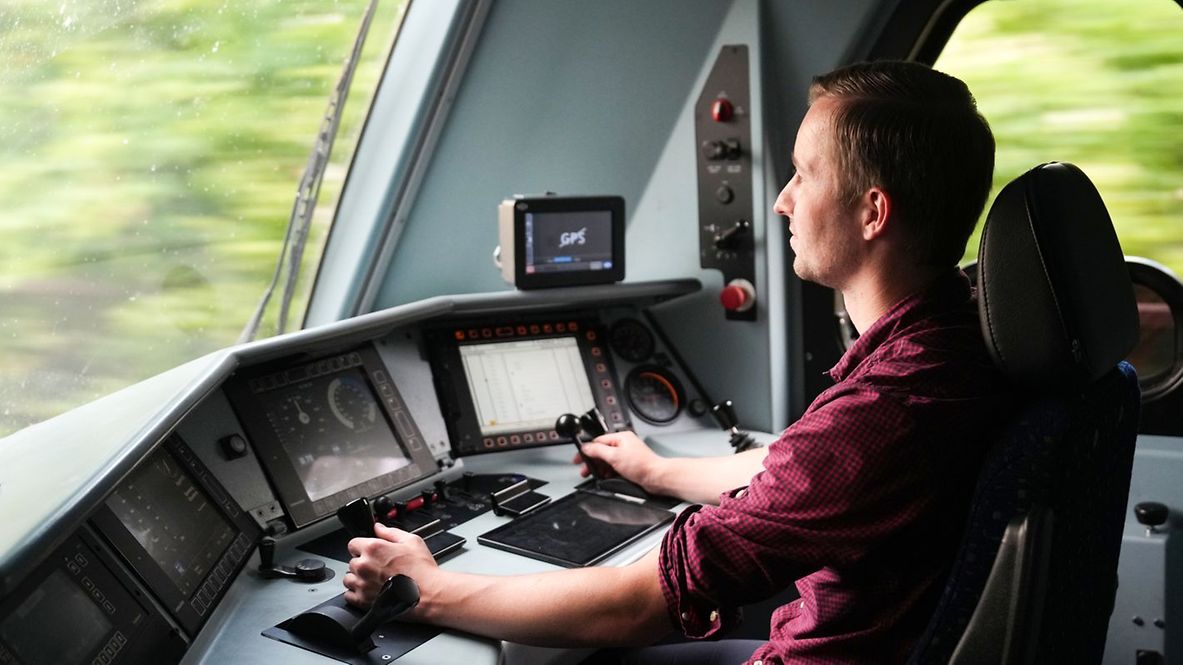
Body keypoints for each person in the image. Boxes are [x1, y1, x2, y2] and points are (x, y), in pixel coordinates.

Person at [344, 60, 1013, 664]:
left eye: (803, 175)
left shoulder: (888, 408)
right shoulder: (953, 345)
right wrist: (657, 470)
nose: (781, 199)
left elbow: (633, 604)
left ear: (872, 212)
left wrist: (425, 588)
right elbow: (802, 468)